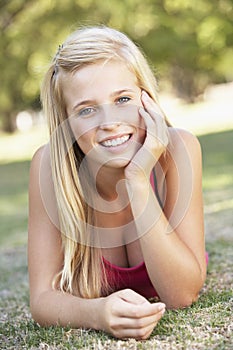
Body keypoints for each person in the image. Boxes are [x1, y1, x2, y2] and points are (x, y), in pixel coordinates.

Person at [28, 26, 207, 340]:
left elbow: (181, 295)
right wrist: (97, 313)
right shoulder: (49, 167)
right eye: (87, 110)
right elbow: (42, 299)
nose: (109, 123)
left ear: (147, 99)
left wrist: (137, 179)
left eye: (122, 98)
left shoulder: (179, 150)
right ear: (65, 123)